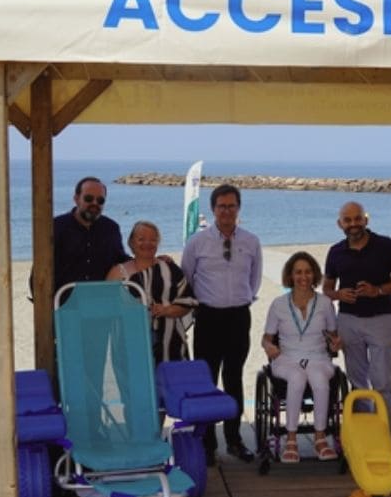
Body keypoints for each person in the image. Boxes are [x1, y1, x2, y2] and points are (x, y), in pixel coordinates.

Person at [182, 184, 262, 464]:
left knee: (234, 379)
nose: (226, 211)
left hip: (239, 317)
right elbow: (187, 278)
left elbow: (255, 280)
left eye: (231, 206)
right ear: (213, 209)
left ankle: (234, 439)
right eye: (221, 206)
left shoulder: (251, 241)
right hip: (208, 318)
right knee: (207, 381)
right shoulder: (197, 242)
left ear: (238, 208)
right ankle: (207, 444)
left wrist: (242, 300)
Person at [323, 201, 391, 419]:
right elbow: (327, 288)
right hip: (349, 320)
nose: (353, 224)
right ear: (340, 224)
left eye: (357, 219)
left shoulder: (385, 245)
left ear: (365, 220)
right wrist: (340, 294)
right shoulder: (335, 252)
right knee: (358, 383)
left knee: (382, 382)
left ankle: (386, 436)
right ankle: (363, 435)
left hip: (382, 319)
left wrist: (377, 290)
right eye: (348, 220)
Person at [260, 252, 342, 463]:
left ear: (314, 274)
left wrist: (336, 342)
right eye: (298, 272)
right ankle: (291, 440)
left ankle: (320, 438)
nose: (303, 277)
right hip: (287, 358)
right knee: (296, 377)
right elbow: (266, 338)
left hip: (318, 357)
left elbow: (333, 335)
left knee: (319, 379)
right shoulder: (279, 304)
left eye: (307, 272)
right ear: (290, 275)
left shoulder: (324, 303)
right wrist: (269, 347)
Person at [106, 220, 197, 366]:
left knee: (170, 386)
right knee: (136, 385)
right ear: (131, 242)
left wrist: (167, 310)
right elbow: (107, 307)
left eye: (153, 239)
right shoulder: (117, 273)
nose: (147, 243)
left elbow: (188, 301)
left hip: (170, 344)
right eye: (141, 239)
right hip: (130, 344)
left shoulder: (171, 269)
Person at [50, 176, 129, 298]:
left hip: (101, 301)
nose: (94, 203)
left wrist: (152, 261)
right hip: (64, 305)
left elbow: (121, 260)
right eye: (88, 198)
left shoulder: (111, 228)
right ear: (76, 199)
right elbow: (41, 268)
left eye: (100, 200)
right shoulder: (56, 227)